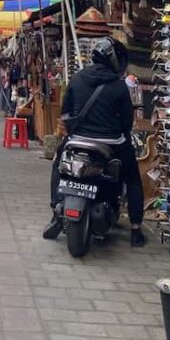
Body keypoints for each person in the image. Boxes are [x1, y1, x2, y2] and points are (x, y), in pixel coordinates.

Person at [43, 36, 146, 247]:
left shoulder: (78, 78)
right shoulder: (118, 86)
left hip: (77, 139)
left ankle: (55, 209)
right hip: (111, 143)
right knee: (133, 178)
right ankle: (136, 229)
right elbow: (127, 121)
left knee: (57, 165)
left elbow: (65, 111)